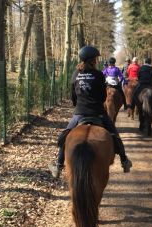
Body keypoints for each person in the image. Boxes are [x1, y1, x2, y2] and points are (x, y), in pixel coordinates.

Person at [48, 46, 132, 178]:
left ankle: (58, 166)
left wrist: (78, 106)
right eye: (96, 58)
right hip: (97, 112)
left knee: (65, 137)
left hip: (80, 113)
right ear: (92, 60)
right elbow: (102, 97)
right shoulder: (98, 74)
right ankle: (124, 160)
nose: (97, 60)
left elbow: (73, 95)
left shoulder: (75, 74)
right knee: (114, 134)